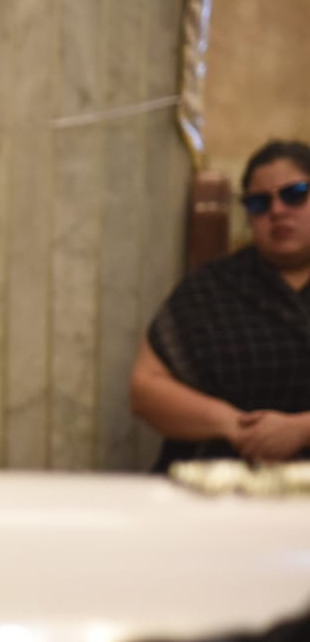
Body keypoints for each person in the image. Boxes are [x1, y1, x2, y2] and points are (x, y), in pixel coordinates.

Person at [129, 139, 310, 470]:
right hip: (214, 476)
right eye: (259, 203)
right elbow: (145, 389)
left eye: (295, 194)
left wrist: (301, 429)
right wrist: (237, 427)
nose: (277, 210)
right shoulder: (210, 288)